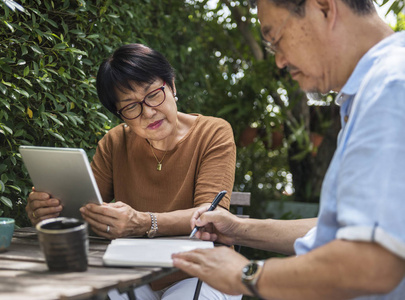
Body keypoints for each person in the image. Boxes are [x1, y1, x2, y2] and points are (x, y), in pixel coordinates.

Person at [172, 0, 405, 299]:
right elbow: (341, 232)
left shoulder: (391, 88)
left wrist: (246, 275)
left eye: (275, 39)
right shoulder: (370, 91)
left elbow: (372, 261)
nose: (279, 61)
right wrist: (239, 229)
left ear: (323, 8)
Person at [25, 43, 242, 300]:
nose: (148, 112)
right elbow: (86, 209)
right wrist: (50, 212)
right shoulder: (115, 142)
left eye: (153, 95)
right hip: (133, 270)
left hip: (200, 271)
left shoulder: (213, 133)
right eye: (130, 106)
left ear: (172, 86)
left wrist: (143, 222)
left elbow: (210, 214)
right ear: (120, 114)